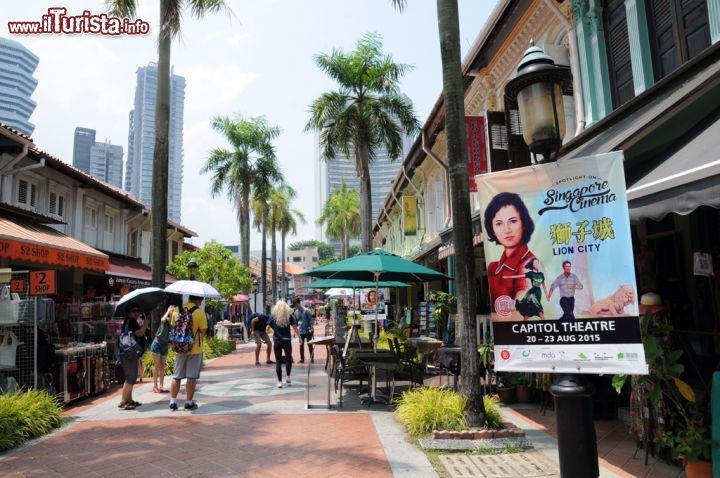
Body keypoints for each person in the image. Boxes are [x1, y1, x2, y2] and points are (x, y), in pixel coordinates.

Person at [483, 192, 536, 318]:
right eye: (499, 223)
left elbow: (518, 314)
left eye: (513, 221)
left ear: (523, 223)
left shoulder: (529, 264)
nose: (506, 230)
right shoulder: (493, 268)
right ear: (493, 230)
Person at [169, 295, 208, 412]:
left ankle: (173, 402)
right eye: (201, 301)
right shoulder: (200, 313)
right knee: (191, 376)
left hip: (179, 348)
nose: (201, 303)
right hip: (194, 348)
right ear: (197, 300)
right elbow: (203, 331)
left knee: (177, 376)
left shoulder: (177, 310)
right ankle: (188, 403)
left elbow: (173, 328)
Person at [118, 305, 149, 410]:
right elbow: (139, 333)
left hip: (126, 353)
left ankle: (129, 400)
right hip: (129, 354)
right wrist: (145, 325)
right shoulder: (131, 321)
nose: (137, 313)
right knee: (131, 378)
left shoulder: (127, 321)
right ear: (129, 313)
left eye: (138, 311)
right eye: (134, 311)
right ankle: (123, 401)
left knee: (130, 377)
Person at [267, 299, 300, 388]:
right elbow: (295, 327)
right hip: (287, 340)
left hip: (277, 341)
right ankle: (288, 377)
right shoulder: (289, 316)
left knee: (278, 361)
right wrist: (299, 337)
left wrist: (274, 331)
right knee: (288, 359)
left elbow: (267, 328)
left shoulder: (273, 316)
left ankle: (279, 382)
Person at [150, 305, 174, 393]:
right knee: (157, 365)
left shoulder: (171, 325)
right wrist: (168, 311)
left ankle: (161, 386)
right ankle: (155, 386)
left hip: (164, 346)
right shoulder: (164, 321)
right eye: (171, 312)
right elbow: (163, 319)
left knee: (162, 367)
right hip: (157, 344)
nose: (171, 314)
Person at [293, 298, 314, 364]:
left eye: (295, 304)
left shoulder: (306, 310)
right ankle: (302, 358)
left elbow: (310, 320)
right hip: (301, 331)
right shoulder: (296, 312)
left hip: (308, 330)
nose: (294, 306)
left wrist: (311, 328)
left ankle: (311, 357)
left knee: (309, 344)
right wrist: (295, 332)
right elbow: (295, 323)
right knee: (301, 345)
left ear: (298, 303)